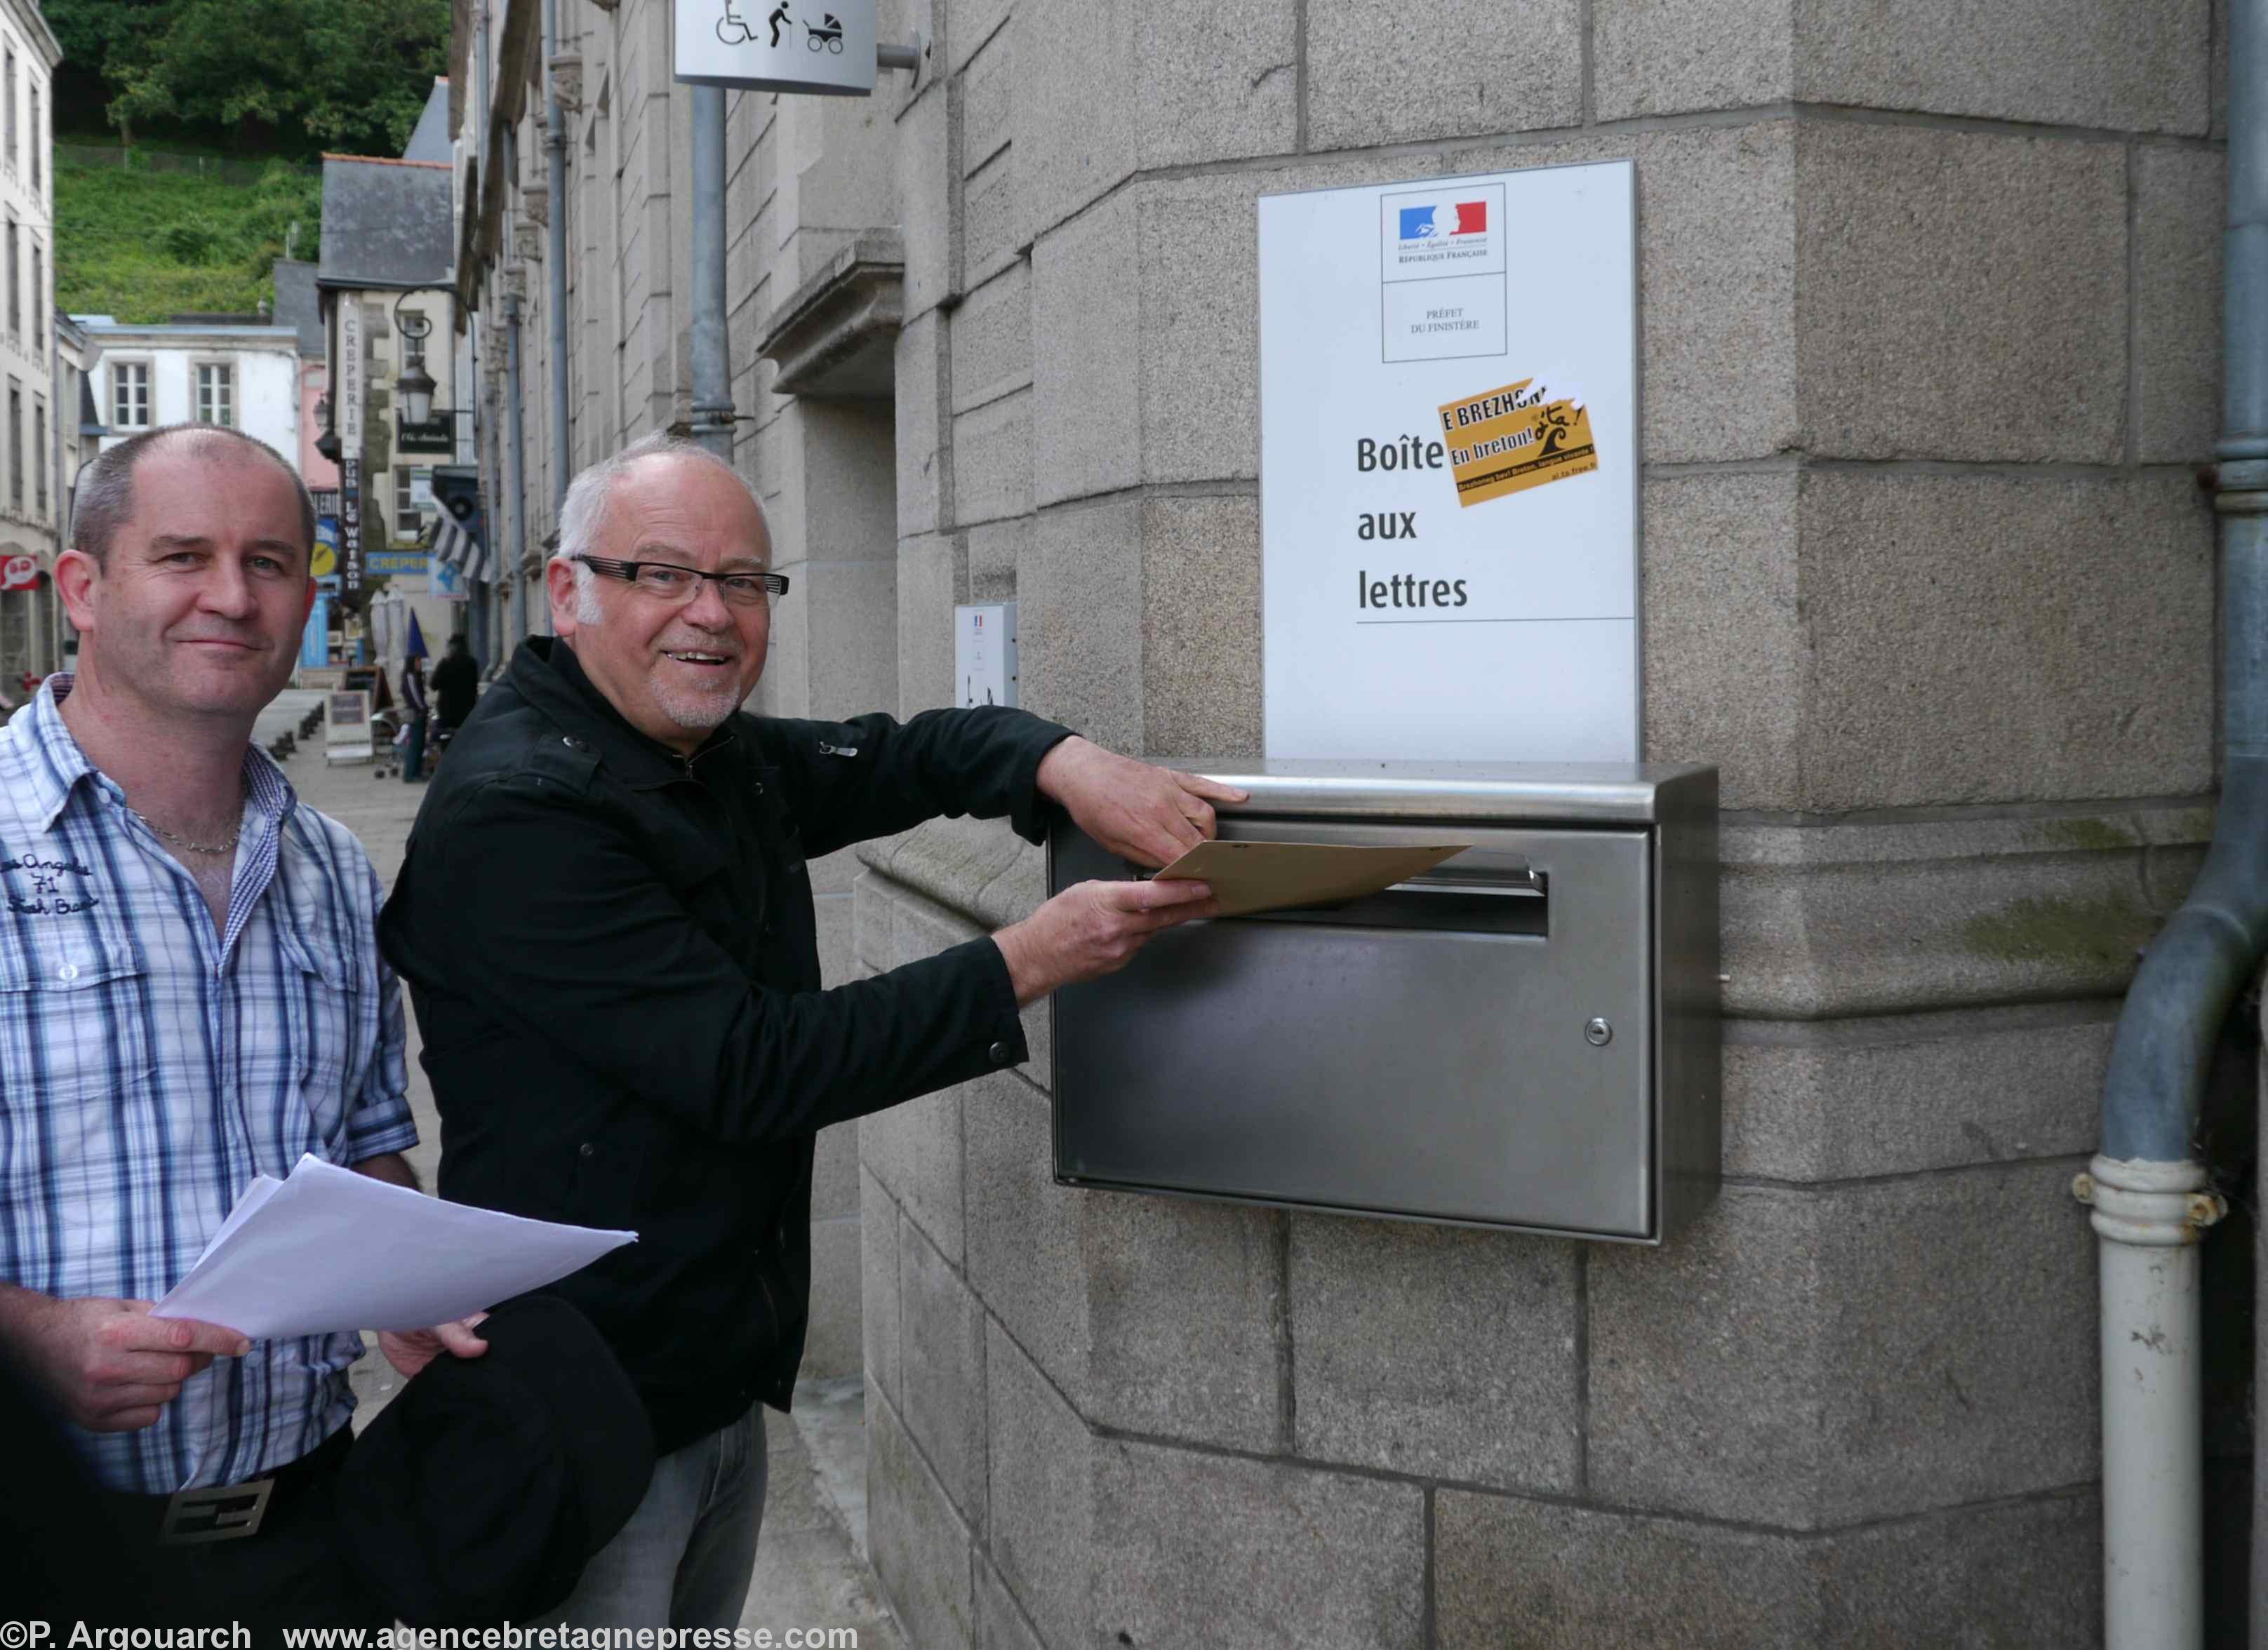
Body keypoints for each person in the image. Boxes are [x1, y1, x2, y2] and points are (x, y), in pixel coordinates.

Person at [378, 431, 1238, 1629]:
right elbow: (753, 1064)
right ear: (570, 588)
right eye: (664, 573)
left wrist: (1059, 759)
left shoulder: (701, 751)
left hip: (712, 1386)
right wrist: (1035, 955)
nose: (712, 615)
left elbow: (894, 757)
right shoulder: (523, 809)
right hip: (581, 1410)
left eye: (742, 581)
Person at [0, 425, 483, 1631]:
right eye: (182, 555)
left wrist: (404, 1272)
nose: (231, 594)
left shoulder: (327, 868)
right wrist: (30, 1340)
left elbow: (369, 1137)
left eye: (270, 561)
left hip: (310, 1530)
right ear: (83, 590)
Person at [430, 631, 480, 734]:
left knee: (447, 743)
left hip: (447, 713)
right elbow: (474, 687)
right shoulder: (472, 663)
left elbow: (433, 685)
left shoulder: (445, 663)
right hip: (467, 711)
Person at [401, 653, 430, 782]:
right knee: (415, 744)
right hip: (416, 713)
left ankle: (417, 772)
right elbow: (415, 695)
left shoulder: (417, 676)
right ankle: (411, 774)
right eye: (417, 662)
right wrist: (422, 707)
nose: (420, 664)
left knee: (420, 744)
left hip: (420, 713)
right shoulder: (410, 676)